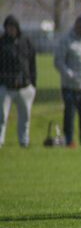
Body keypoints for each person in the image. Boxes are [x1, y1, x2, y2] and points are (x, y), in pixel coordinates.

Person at [54, 16, 81, 147]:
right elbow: (58, 61)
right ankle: (69, 140)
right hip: (70, 86)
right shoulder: (66, 41)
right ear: (76, 26)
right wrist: (69, 74)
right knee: (69, 116)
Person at [0, 15, 36, 148]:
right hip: (6, 86)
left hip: (24, 86)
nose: (11, 30)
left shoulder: (25, 41)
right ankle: (0, 140)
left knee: (25, 116)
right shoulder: (2, 43)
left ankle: (24, 141)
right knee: (2, 116)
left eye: (13, 27)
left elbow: (32, 63)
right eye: (8, 27)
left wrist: (33, 84)